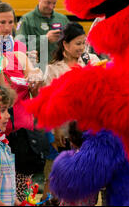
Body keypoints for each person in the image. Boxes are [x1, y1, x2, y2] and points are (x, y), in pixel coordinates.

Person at [42, 22, 100, 198]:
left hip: (91, 131)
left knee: (89, 182)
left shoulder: (93, 61)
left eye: (84, 43)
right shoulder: (53, 70)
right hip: (66, 133)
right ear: (65, 45)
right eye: (77, 43)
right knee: (65, 181)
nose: (82, 48)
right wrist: (56, 131)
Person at [16, 0, 69, 70]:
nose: (51, 7)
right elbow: (20, 48)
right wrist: (45, 39)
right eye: (48, 3)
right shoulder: (27, 20)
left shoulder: (62, 19)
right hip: (37, 70)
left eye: (54, 3)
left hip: (60, 68)